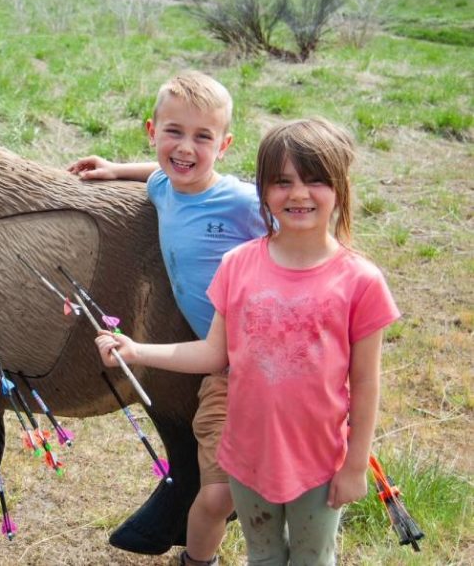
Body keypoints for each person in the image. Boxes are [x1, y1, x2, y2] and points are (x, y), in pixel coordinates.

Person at [96, 118, 400, 565]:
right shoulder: (239, 264)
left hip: (318, 460)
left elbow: (367, 384)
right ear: (262, 190)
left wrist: (355, 467)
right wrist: (137, 350)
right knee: (262, 554)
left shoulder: (361, 282)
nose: (298, 193)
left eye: (314, 180)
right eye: (282, 182)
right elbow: (214, 353)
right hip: (244, 452)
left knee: (312, 558)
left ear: (340, 187)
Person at [69, 71, 265, 566]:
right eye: (173, 132)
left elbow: (298, 230)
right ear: (152, 131)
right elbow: (157, 174)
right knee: (220, 475)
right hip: (223, 363)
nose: (186, 148)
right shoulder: (163, 185)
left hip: (269, 354)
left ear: (225, 145)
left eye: (203, 137)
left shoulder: (241, 202)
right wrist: (115, 169)